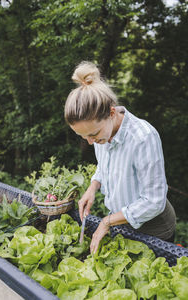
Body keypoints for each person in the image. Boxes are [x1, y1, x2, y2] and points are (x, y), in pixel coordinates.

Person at [64, 61, 176, 254]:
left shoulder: (143, 137)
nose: (90, 142)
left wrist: (107, 221)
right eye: (83, 137)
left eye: (94, 135)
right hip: (121, 222)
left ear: (111, 112)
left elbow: (154, 201)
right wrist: (93, 186)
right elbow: (105, 165)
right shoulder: (102, 135)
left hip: (154, 229)